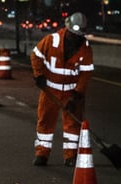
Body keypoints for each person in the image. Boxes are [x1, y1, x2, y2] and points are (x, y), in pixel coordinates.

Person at [30, 12, 94, 166]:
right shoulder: (51, 41)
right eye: (74, 34)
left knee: (72, 125)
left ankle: (71, 156)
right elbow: (36, 55)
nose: (76, 38)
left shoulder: (85, 49)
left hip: (72, 94)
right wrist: (39, 75)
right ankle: (42, 154)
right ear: (67, 29)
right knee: (45, 121)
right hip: (50, 91)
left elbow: (85, 74)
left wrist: (77, 94)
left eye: (80, 35)